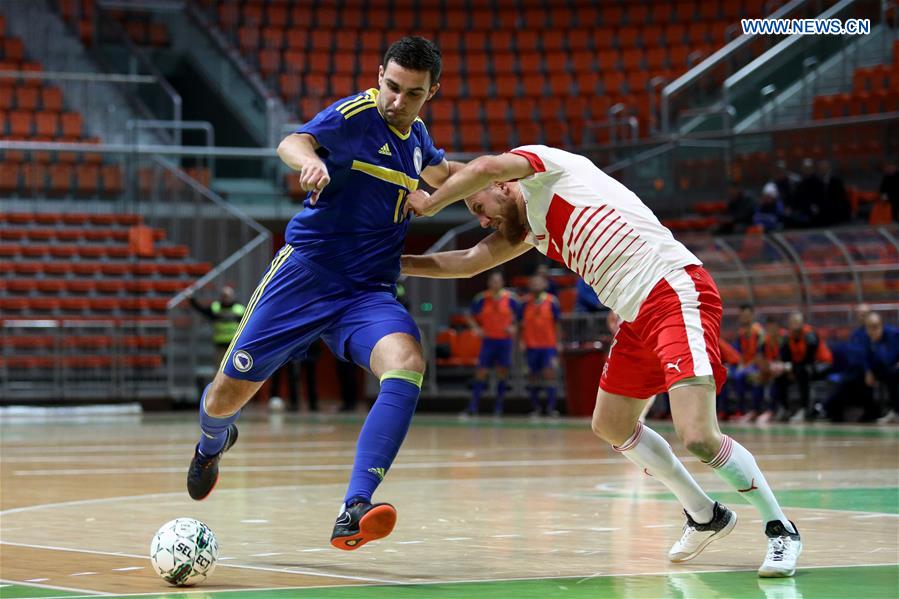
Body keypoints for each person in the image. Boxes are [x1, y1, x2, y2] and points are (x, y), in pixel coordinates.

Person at [401, 144, 802, 577]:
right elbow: (467, 262)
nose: (482, 221)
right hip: (635, 316)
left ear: (502, 185)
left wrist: (429, 202)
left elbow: (477, 169)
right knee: (611, 424)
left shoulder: (547, 169)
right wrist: (393, 264)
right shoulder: (530, 226)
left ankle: (781, 529)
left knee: (699, 437)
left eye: (481, 208)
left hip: (673, 292)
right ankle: (705, 515)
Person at [186, 36, 463, 551]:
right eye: (392, 87)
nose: (397, 102)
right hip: (305, 279)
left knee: (406, 363)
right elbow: (293, 140)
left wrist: (496, 185)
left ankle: (354, 506)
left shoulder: (418, 137)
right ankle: (212, 441)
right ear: (379, 74)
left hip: (368, 291)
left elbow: (446, 174)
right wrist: (308, 162)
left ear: (432, 93)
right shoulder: (356, 114)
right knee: (225, 396)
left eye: (412, 94)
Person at [465, 271, 521, 416]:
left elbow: (520, 319)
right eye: (493, 281)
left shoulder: (511, 299)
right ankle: (473, 406)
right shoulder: (481, 298)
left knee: (502, 373)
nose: (495, 283)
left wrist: (514, 327)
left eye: (498, 281)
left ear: (502, 283)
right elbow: (469, 316)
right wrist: (476, 328)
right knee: (481, 373)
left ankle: (498, 407)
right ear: (489, 283)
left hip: (504, 341)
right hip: (488, 341)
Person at [771, 312, 831, 423]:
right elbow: (785, 357)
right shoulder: (787, 339)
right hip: (799, 366)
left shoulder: (810, 336)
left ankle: (804, 409)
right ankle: (785, 408)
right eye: (792, 323)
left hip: (822, 364)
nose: (795, 326)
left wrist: (791, 368)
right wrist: (784, 368)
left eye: (797, 323)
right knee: (780, 375)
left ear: (802, 324)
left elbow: (809, 360)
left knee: (803, 371)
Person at [520, 273, 562, 417]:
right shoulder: (525, 302)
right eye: (533, 282)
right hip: (531, 346)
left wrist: (558, 343)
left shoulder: (551, 301)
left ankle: (551, 408)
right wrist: (521, 342)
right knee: (532, 377)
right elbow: (520, 325)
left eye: (539, 282)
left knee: (550, 375)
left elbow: (557, 324)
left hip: (548, 346)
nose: (536, 284)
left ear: (545, 285)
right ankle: (536, 408)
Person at [187, 285, 246, 377]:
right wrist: (191, 300)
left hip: (235, 345)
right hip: (220, 345)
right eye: (223, 295)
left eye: (227, 296)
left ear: (232, 296)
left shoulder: (240, 309)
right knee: (220, 369)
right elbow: (203, 310)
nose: (225, 298)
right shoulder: (216, 307)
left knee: (236, 369)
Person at [731, 305, 766, 422]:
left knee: (751, 376)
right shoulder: (740, 333)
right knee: (735, 375)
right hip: (745, 366)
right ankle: (742, 410)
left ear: (752, 315)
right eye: (742, 315)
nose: (744, 318)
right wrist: (741, 365)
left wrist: (747, 366)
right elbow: (738, 353)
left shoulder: (759, 332)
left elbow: (760, 353)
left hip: (757, 365)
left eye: (747, 315)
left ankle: (756, 410)